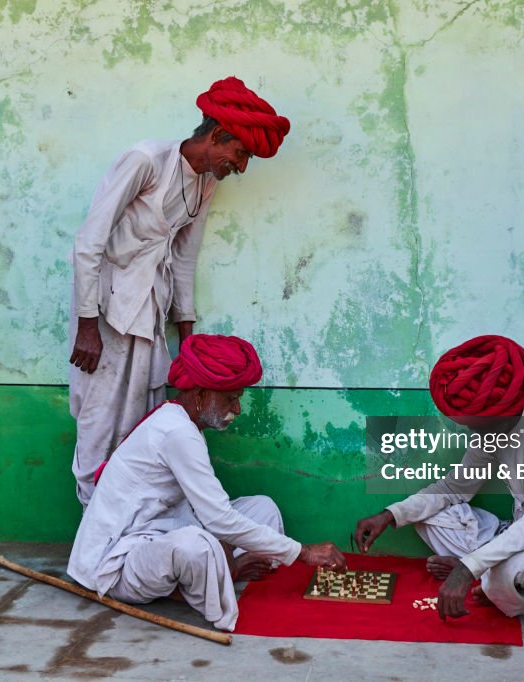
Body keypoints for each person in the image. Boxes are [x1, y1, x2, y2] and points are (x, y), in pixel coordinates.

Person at [68, 77, 291, 507]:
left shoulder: (207, 181)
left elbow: (185, 258)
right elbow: (89, 242)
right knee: (99, 421)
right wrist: (87, 325)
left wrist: (189, 344)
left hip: (150, 309)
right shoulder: (145, 160)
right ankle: (93, 541)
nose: (240, 167)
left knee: (140, 423)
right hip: (107, 309)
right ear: (218, 135)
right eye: (239, 153)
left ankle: (130, 534)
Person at [67, 334, 345, 631]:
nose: (237, 409)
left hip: (163, 529)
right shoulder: (177, 433)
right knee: (197, 545)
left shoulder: (184, 424)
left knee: (263, 508)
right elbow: (218, 519)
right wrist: (304, 552)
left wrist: (225, 540)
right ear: (199, 394)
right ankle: (218, 576)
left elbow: (211, 511)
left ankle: (215, 573)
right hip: (118, 564)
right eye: (230, 398)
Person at [354, 335, 524, 621]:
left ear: (505, 413)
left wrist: (466, 570)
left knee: (514, 566)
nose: (475, 435)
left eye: (478, 427)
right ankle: (489, 575)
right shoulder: (491, 431)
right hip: (520, 534)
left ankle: (499, 582)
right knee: (432, 516)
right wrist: (390, 515)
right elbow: (453, 488)